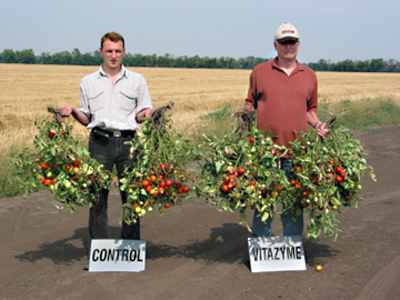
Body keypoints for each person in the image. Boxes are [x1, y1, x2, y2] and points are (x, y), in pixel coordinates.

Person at [60, 32, 154, 262]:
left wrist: (148, 114)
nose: (113, 55)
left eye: (118, 51)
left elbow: (141, 113)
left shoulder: (137, 80)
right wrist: (72, 110)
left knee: (132, 196)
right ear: (101, 51)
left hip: (129, 142)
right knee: (97, 197)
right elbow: (87, 118)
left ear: (124, 52)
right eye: (109, 51)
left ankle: (130, 250)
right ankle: (100, 251)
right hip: (99, 142)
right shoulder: (88, 81)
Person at [244, 22, 328, 237]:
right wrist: (244, 122)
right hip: (266, 151)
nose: (288, 46)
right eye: (284, 42)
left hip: (298, 152)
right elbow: (249, 104)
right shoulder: (260, 72)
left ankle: (292, 247)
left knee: (293, 202)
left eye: (292, 42)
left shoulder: (309, 75)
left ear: (299, 45)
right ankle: (261, 246)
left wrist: (318, 125)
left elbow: (310, 111)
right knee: (264, 201)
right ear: (275, 45)